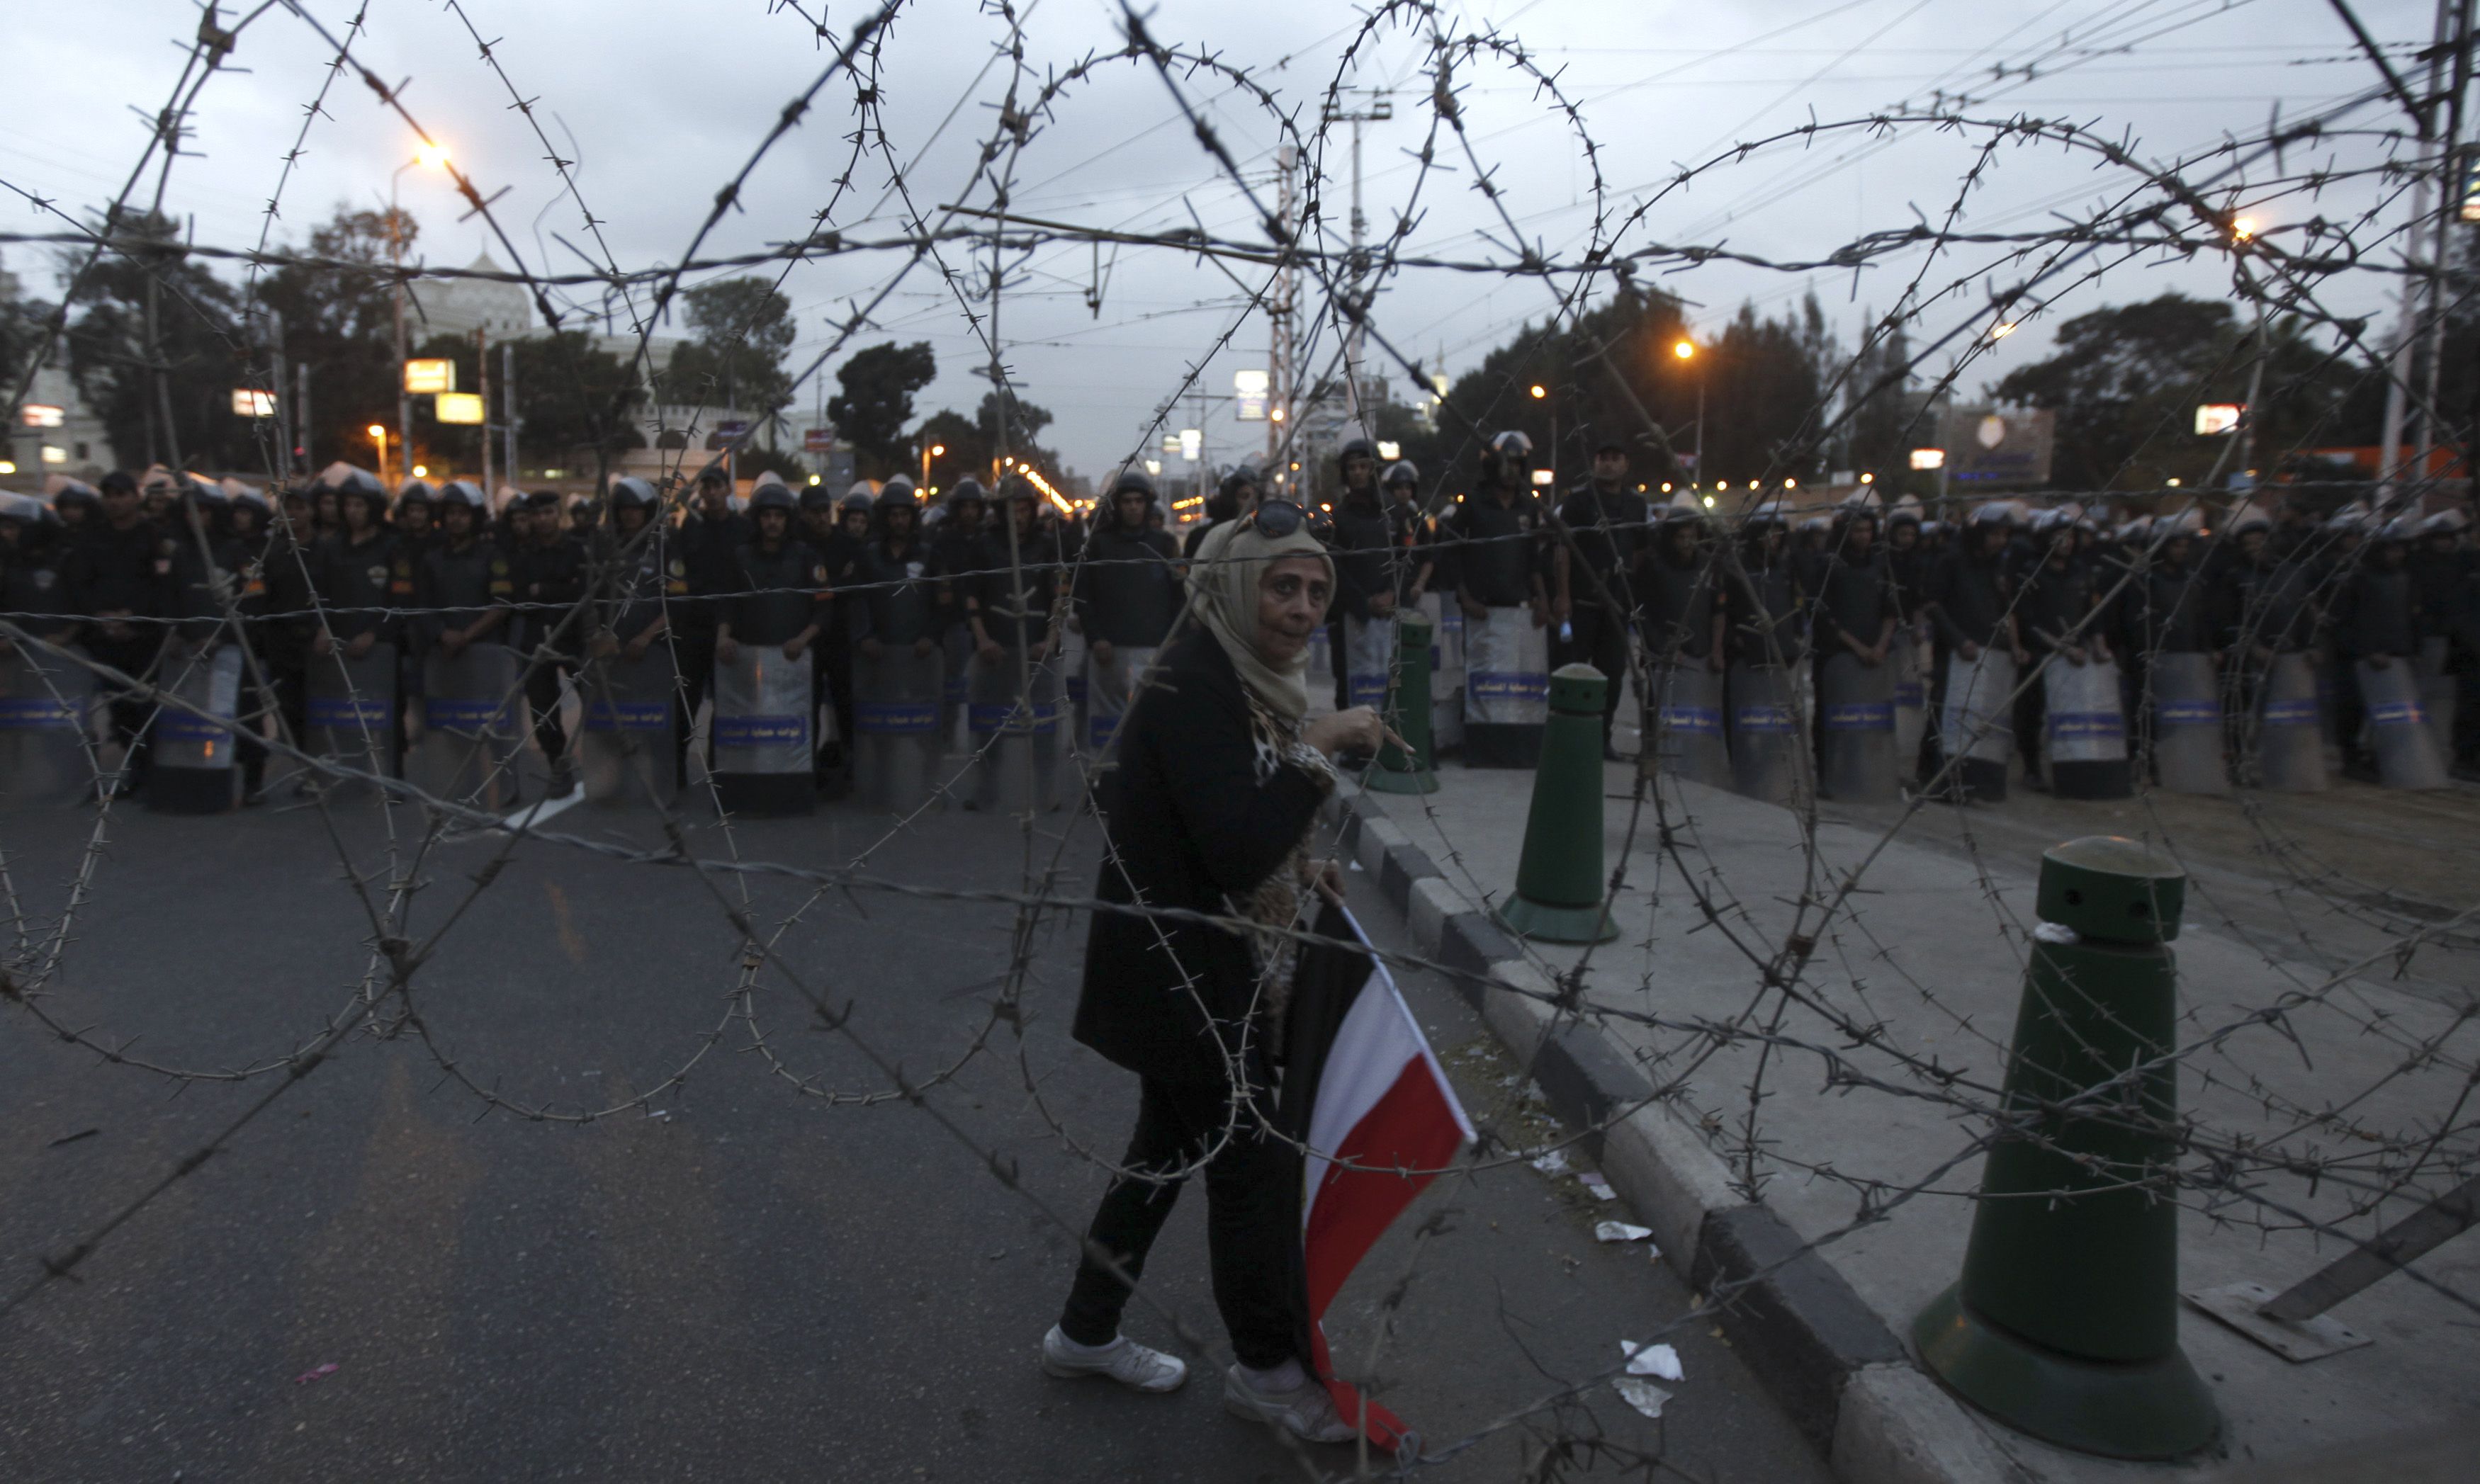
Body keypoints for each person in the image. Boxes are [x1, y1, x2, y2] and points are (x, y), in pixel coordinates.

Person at [1044, 501, 1385, 1446]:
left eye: (1317, 589)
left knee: (1169, 1148)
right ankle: (1269, 1370)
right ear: (1238, 584)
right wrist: (1320, 748)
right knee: (1247, 1164)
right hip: (1182, 967)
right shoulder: (1198, 682)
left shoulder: (1237, 675)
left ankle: (1084, 1329)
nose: (1303, 606)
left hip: (1187, 955)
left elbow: (1230, 822)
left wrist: (1297, 862)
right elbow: (1232, 845)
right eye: (1282, 584)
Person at [60, 470, 174, 798]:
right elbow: (79, 582)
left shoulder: (154, 537)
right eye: (109, 494)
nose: (115, 501)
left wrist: (132, 618)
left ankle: (152, 774)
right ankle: (134, 770)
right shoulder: (93, 538)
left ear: (135, 498)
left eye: (122, 494)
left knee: (146, 706)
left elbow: (162, 586)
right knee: (119, 710)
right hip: (104, 637)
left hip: (144, 638)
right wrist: (101, 617)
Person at [310, 469, 416, 777]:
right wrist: (323, 628)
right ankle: (347, 773)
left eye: (360, 505)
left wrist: (375, 633)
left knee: (388, 713)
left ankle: (393, 778)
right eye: (349, 505)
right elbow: (322, 593)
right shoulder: (331, 547)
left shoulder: (393, 547)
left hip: (381, 645)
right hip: (339, 643)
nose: (354, 512)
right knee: (343, 710)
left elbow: (402, 599)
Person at [1073, 470, 1185, 752]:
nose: (1133, 507)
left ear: (1147, 505)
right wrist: (1096, 637)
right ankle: (1102, 786)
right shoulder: (1099, 545)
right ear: (1117, 505)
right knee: (1106, 728)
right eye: (1127, 501)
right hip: (1109, 651)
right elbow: (1084, 596)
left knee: (1154, 723)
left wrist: (1174, 640)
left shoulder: (1164, 544)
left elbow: (1179, 597)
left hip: (1154, 650)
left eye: (1138, 501)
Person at [1551, 442, 1645, 754]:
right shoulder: (1579, 501)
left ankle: (1600, 738)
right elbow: (1563, 548)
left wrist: (1635, 594)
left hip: (1617, 604)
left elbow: (1641, 550)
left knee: (1613, 675)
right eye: (1602, 458)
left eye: (1615, 458)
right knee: (1574, 669)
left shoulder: (1635, 505)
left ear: (1626, 464)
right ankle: (1567, 736)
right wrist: (1563, 595)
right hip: (1582, 602)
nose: (1608, 464)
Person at [673, 467, 749, 786]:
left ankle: (720, 773)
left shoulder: (742, 529)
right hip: (695, 625)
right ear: (701, 492)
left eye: (717, 486)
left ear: (727, 489)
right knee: (685, 702)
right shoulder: (691, 526)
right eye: (707, 487)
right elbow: (679, 573)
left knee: (727, 703)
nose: (712, 492)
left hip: (730, 627)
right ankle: (675, 771)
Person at [510, 489, 588, 796]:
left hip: (573, 636)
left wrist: (541, 589)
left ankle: (602, 760)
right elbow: (519, 596)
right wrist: (559, 588)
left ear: (559, 515)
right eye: (537, 515)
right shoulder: (523, 554)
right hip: (536, 640)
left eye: (548, 513)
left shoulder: (578, 551)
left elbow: (581, 591)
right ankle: (559, 765)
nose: (542, 520)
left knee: (594, 700)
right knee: (543, 711)